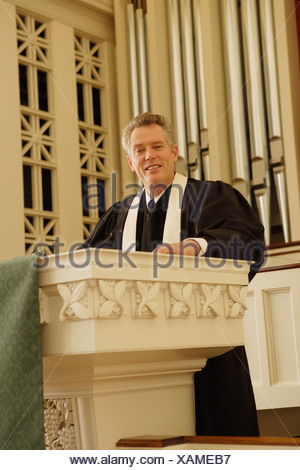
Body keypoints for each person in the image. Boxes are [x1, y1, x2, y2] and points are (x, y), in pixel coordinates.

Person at [83, 112, 265, 436]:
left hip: (208, 350)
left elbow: (249, 243)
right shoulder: (118, 217)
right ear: (130, 160)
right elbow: (90, 264)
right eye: (140, 150)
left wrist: (195, 246)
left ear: (174, 152)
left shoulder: (210, 197)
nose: (149, 156)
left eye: (157, 146)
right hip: (130, 352)